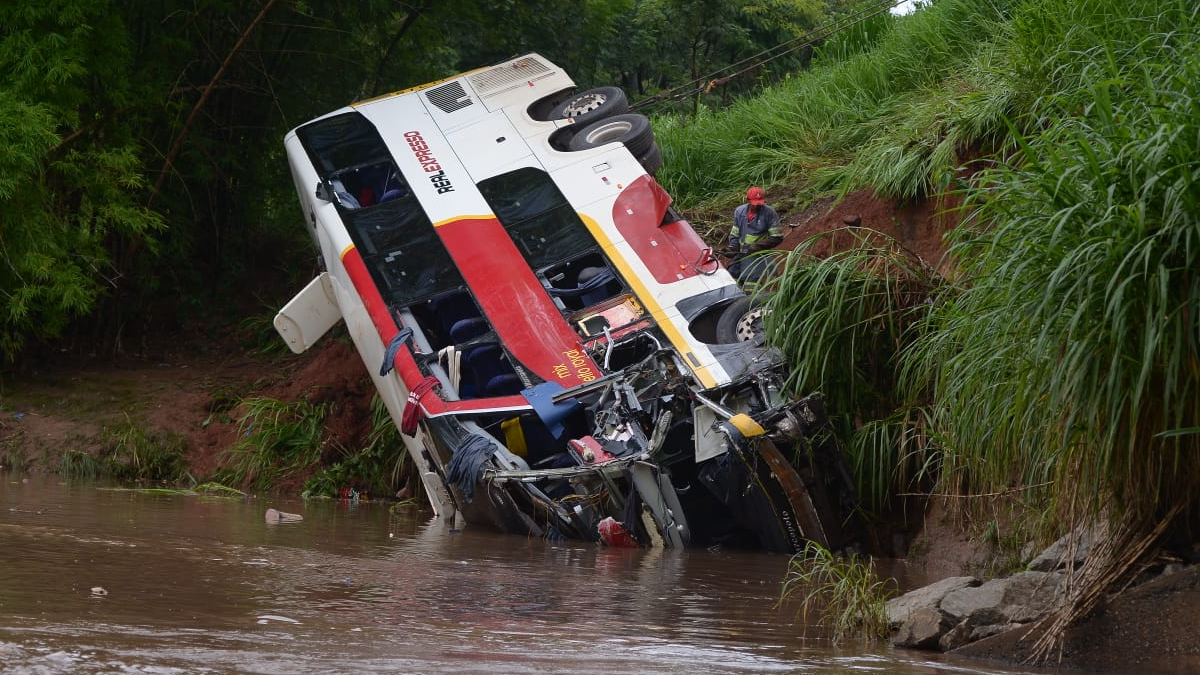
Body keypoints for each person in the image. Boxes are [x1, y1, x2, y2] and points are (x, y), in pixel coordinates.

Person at [721, 186, 783, 283]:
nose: (757, 206)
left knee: (750, 281)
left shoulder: (769, 213)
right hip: (742, 253)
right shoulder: (739, 212)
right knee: (731, 277)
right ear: (748, 200)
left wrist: (757, 246)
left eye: (760, 203)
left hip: (759, 254)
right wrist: (732, 248)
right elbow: (734, 234)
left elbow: (777, 237)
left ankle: (753, 297)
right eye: (755, 203)